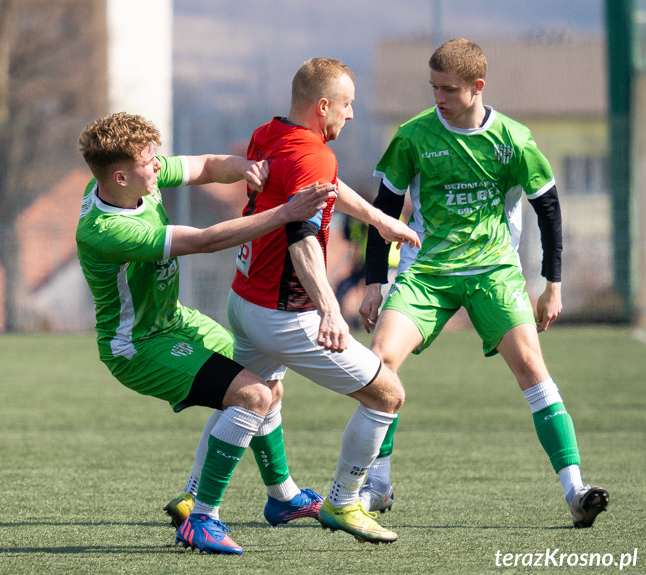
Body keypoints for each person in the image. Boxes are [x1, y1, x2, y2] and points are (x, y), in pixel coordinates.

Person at [166, 58, 421, 545]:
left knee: (253, 396)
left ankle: (205, 498)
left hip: (244, 298)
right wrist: (329, 309)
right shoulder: (316, 155)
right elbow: (302, 238)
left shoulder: (269, 133)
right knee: (386, 394)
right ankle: (345, 503)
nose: (351, 114)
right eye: (346, 105)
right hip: (283, 313)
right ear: (322, 105)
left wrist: (378, 220)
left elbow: (321, 191)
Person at [357, 39, 609, 528]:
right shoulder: (412, 137)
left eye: (449, 89)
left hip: (495, 271)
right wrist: (374, 281)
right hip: (426, 271)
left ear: (478, 87)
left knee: (533, 368)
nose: (439, 97)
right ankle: (379, 486)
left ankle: (575, 490)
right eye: (433, 87)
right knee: (379, 362)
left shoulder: (513, 139)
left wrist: (552, 284)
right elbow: (382, 212)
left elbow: (549, 210)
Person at [76, 112, 336, 555]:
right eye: (148, 160)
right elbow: (204, 240)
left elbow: (204, 165)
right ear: (120, 176)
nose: (158, 165)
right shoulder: (106, 230)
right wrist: (286, 213)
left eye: (156, 155)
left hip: (176, 321)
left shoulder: (135, 181)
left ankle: (282, 497)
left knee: (267, 383)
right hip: (137, 347)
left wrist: (244, 166)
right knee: (251, 396)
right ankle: (201, 518)